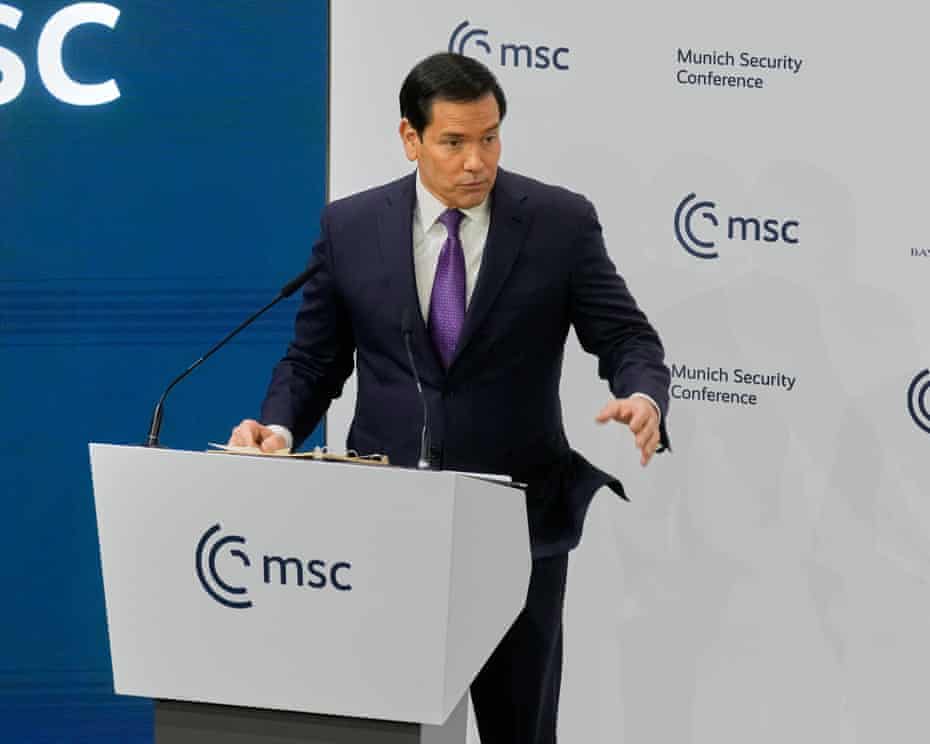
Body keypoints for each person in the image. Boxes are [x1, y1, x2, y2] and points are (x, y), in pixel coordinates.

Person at [229, 52, 670, 744]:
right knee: (385, 732)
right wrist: (279, 429)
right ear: (411, 138)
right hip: (384, 527)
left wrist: (642, 393)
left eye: (489, 138)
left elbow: (625, 337)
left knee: (518, 731)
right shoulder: (350, 227)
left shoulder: (558, 222)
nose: (476, 162)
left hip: (517, 529)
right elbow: (314, 359)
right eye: (454, 141)